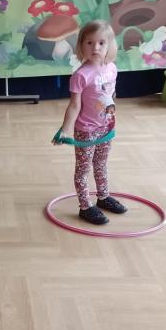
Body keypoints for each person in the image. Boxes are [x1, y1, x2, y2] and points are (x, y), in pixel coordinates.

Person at [54, 20, 127, 225]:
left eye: (101, 43)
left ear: (110, 45)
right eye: (89, 42)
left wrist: (111, 115)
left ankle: (103, 197)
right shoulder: (81, 75)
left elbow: (110, 95)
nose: (96, 48)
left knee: (101, 164)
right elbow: (74, 106)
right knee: (83, 169)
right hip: (86, 130)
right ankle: (85, 206)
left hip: (106, 127)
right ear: (81, 45)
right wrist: (65, 130)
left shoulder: (112, 68)